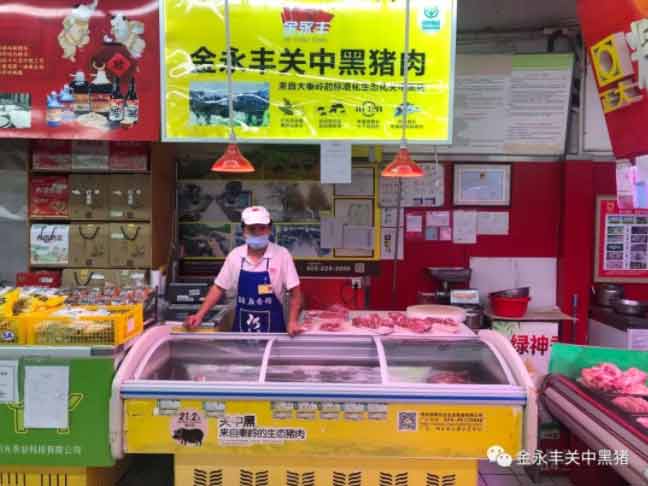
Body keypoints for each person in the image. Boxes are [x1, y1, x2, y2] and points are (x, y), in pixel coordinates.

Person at [185, 206, 303, 336]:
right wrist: (199, 315)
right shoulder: (235, 255)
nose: (257, 233)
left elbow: (295, 293)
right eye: (252, 229)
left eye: (262, 228)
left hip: (273, 335)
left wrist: (292, 321)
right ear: (243, 231)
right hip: (241, 334)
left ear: (269, 229)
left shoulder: (282, 255)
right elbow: (218, 287)